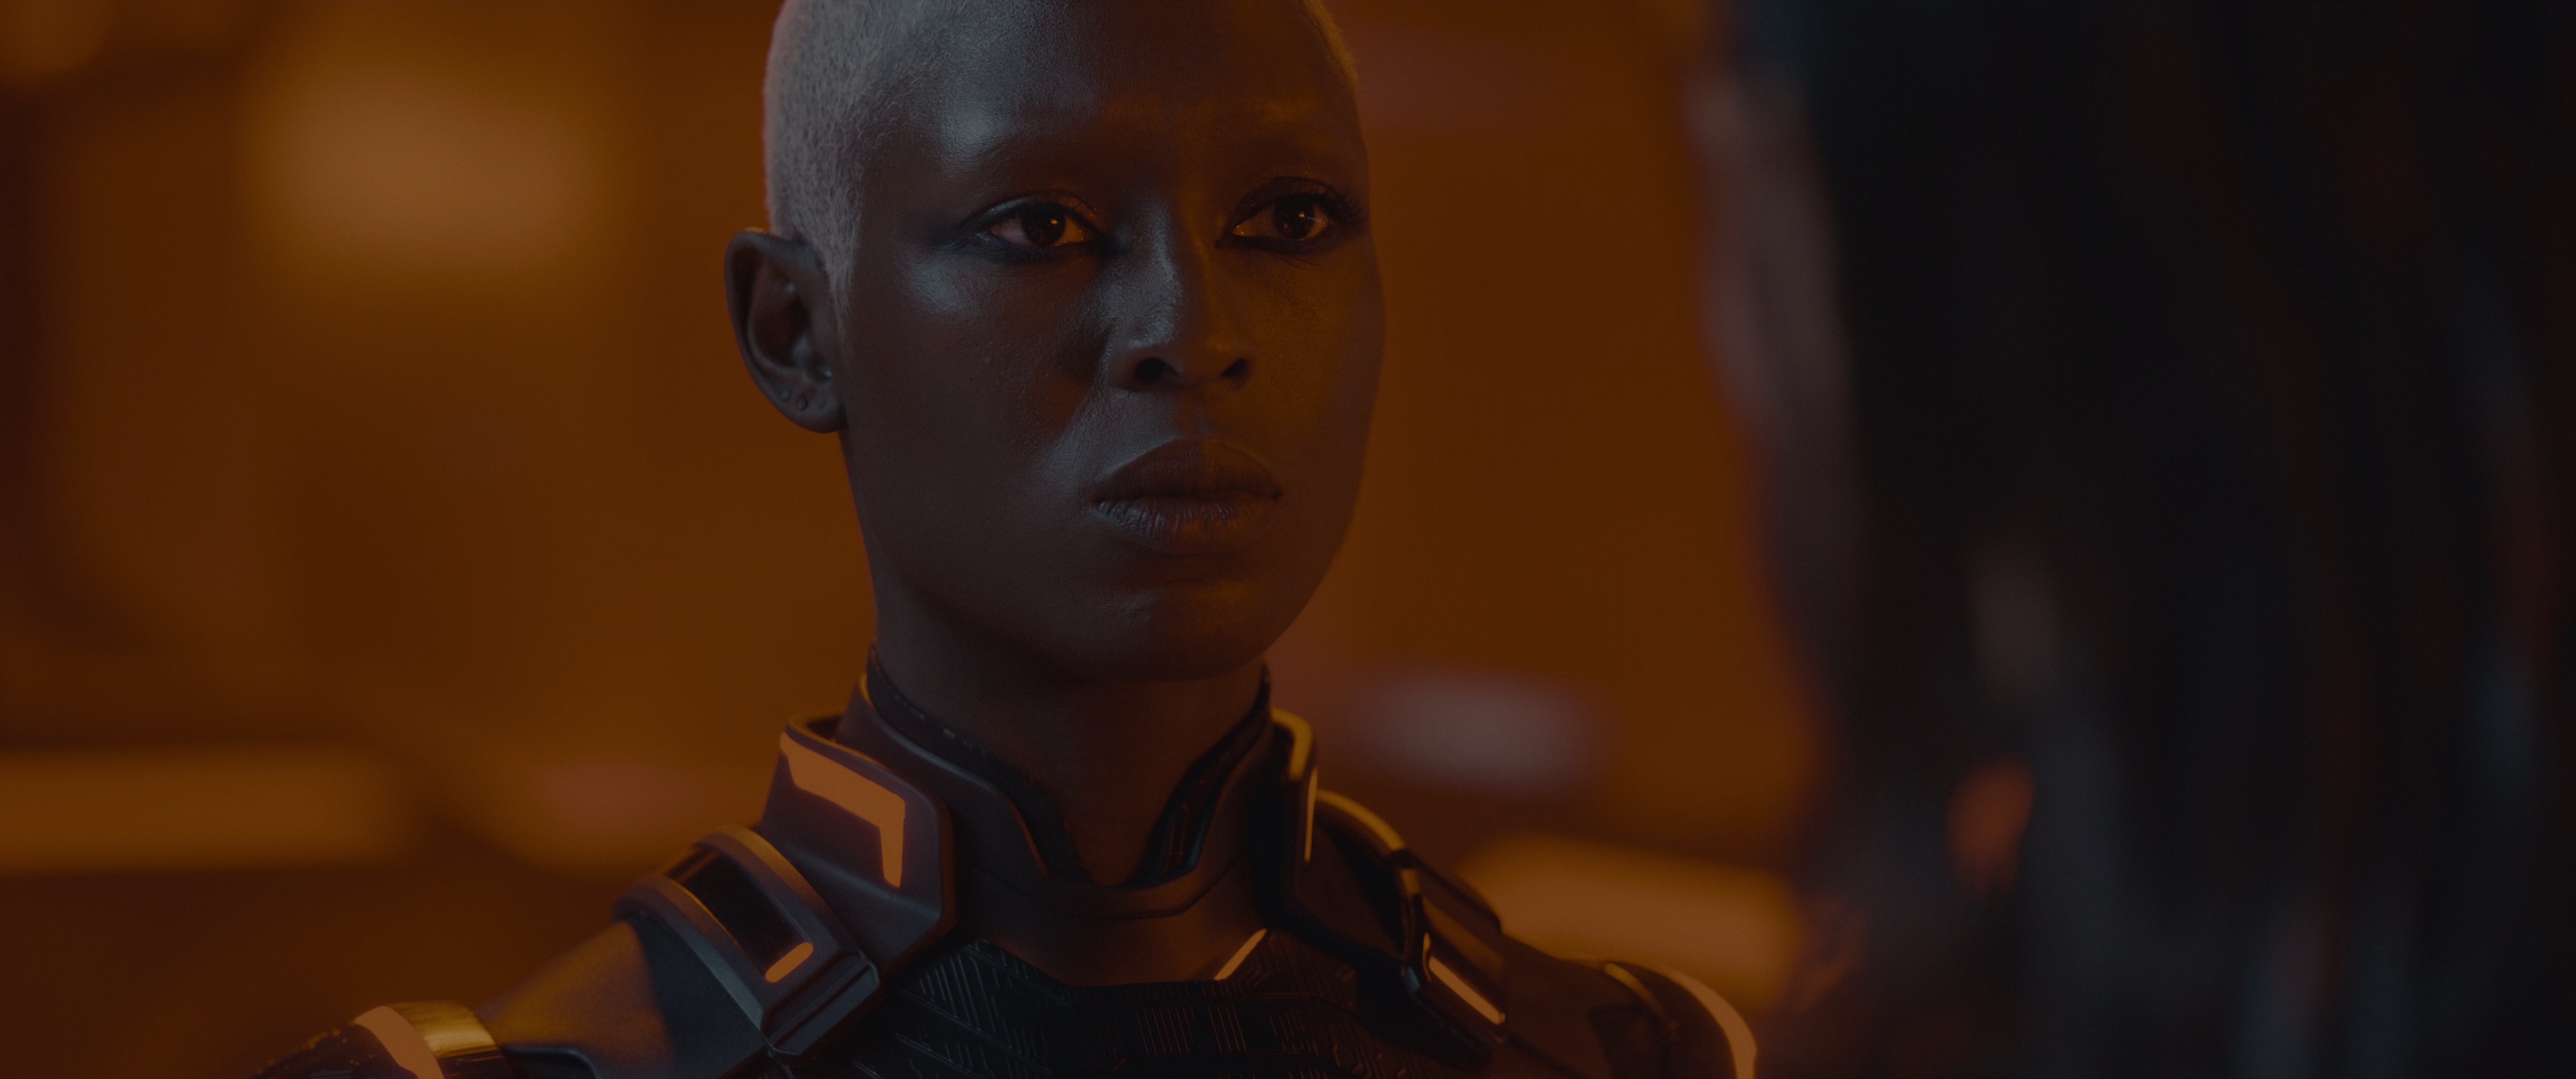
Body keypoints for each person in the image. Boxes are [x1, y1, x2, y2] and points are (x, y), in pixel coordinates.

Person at [250, 2, 1754, 1077]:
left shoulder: (1634, 1053)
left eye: (1289, 220)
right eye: (1042, 226)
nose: (1191, 331)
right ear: (795, 330)